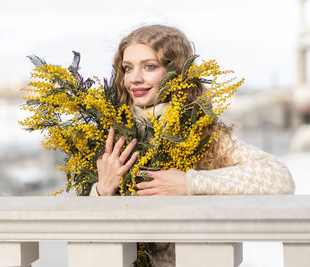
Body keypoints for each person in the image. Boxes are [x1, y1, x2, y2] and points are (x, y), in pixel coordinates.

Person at [89, 24, 295, 266]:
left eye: (149, 66)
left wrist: (190, 182)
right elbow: (83, 229)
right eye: (127, 68)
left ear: (175, 71)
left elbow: (279, 178)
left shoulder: (202, 132)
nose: (134, 78)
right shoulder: (107, 133)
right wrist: (101, 191)